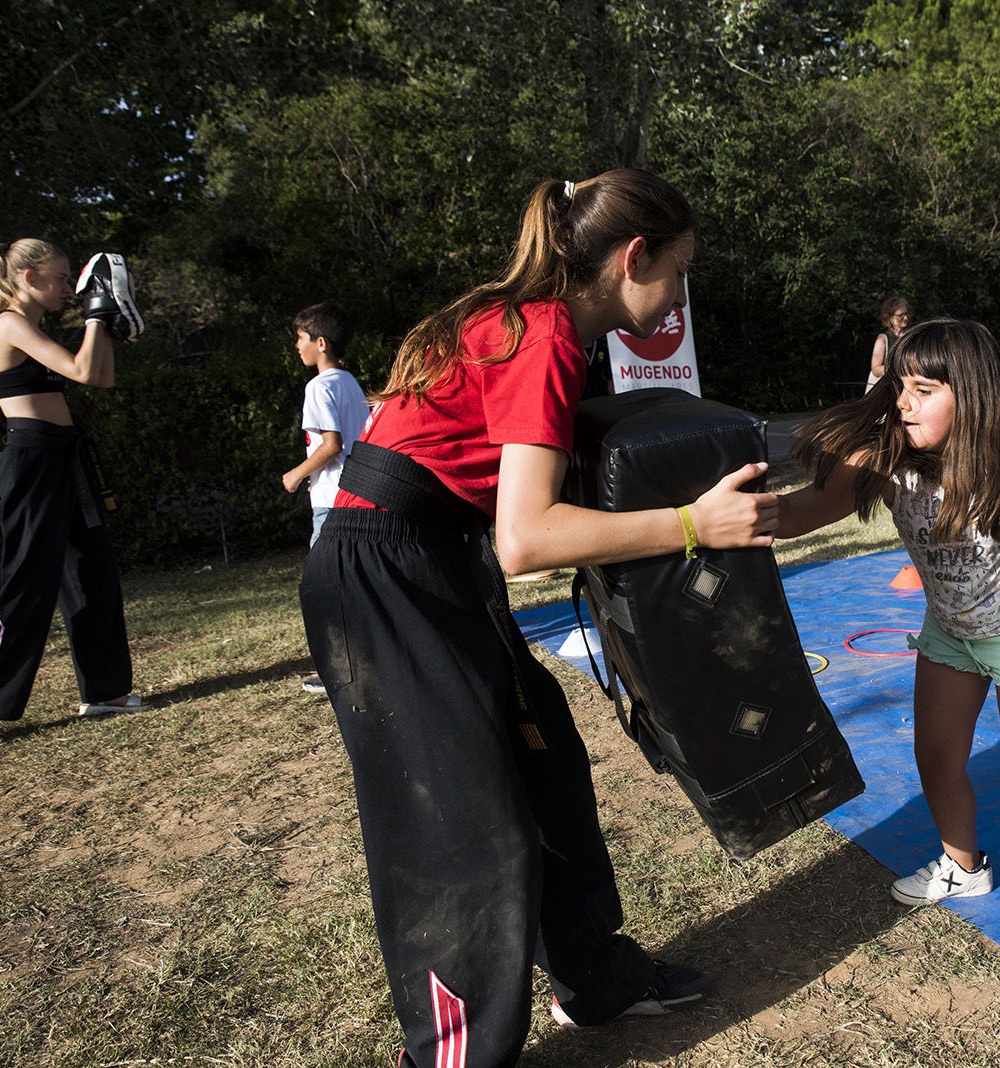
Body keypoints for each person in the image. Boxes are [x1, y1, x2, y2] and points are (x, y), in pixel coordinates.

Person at [300, 170, 777, 1066]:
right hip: (385, 572)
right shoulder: (546, 333)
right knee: (463, 828)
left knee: (544, 763)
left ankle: (594, 980)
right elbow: (526, 537)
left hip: (435, 559)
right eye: (677, 270)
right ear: (632, 258)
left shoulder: (534, 318)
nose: (678, 291)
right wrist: (690, 525)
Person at [775, 317, 1000, 981]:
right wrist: (731, 522)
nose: (903, 402)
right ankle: (963, 866)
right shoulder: (890, 463)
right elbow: (809, 508)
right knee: (936, 754)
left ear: (971, 398)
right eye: (900, 386)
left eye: (923, 389)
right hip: (952, 627)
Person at [0, 240, 148, 753]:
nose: (69, 287)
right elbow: (84, 371)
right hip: (32, 460)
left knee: (92, 569)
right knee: (27, 579)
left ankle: (105, 691)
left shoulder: (34, 327)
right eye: (61, 278)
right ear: (26, 276)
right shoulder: (7, 325)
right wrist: (95, 311)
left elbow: (102, 377)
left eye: (73, 280)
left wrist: (105, 322)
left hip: (66, 455)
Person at [278, 302, 369, 693]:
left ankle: (337, 669)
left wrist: (296, 474)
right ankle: (368, 657)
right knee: (355, 580)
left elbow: (330, 444)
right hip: (358, 493)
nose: (297, 346)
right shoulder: (349, 382)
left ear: (320, 342)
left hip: (330, 499)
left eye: (300, 338)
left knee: (323, 585)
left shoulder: (318, 387)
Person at [867, 295, 912, 392]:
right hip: (886, 390)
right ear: (890, 317)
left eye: (906, 314)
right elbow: (875, 369)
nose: (905, 318)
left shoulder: (910, 337)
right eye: (901, 315)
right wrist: (898, 368)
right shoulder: (883, 339)